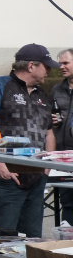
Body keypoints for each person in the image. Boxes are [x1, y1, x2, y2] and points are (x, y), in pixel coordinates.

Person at [0, 44, 58, 238]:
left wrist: (46, 169)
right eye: (46, 66)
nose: (49, 71)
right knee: (3, 240)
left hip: (36, 180)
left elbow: (49, 133)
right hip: (6, 179)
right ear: (31, 66)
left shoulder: (42, 95)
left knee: (33, 241)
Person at [52, 49, 73, 225]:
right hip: (62, 156)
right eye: (60, 63)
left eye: (65, 63)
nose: (61, 66)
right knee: (67, 203)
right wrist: (53, 120)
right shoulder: (57, 89)